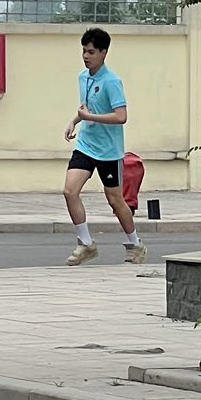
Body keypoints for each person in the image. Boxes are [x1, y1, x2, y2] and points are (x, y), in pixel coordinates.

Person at [63, 25, 148, 265]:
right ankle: (86, 243)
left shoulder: (112, 81)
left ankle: (135, 244)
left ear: (103, 53)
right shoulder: (83, 77)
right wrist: (75, 120)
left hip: (109, 151)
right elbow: (87, 108)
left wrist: (89, 117)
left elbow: (121, 117)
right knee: (69, 191)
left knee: (115, 200)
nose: (86, 56)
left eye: (91, 52)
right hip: (86, 145)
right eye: (84, 51)